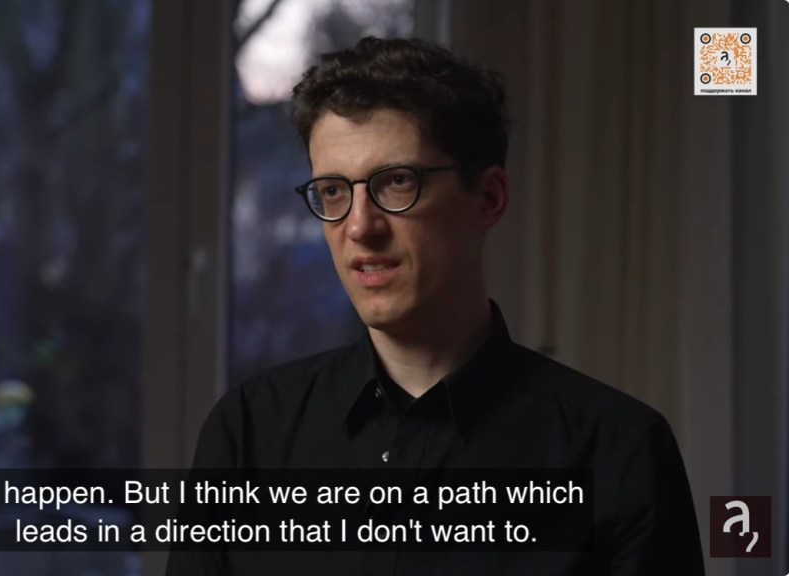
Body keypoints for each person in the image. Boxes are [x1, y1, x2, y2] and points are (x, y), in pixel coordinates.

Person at [166, 37, 704, 575]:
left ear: (488, 198)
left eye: (397, 182)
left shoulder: (619, 451)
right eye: (333, 191)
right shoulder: (248, 433)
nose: (359, 227)